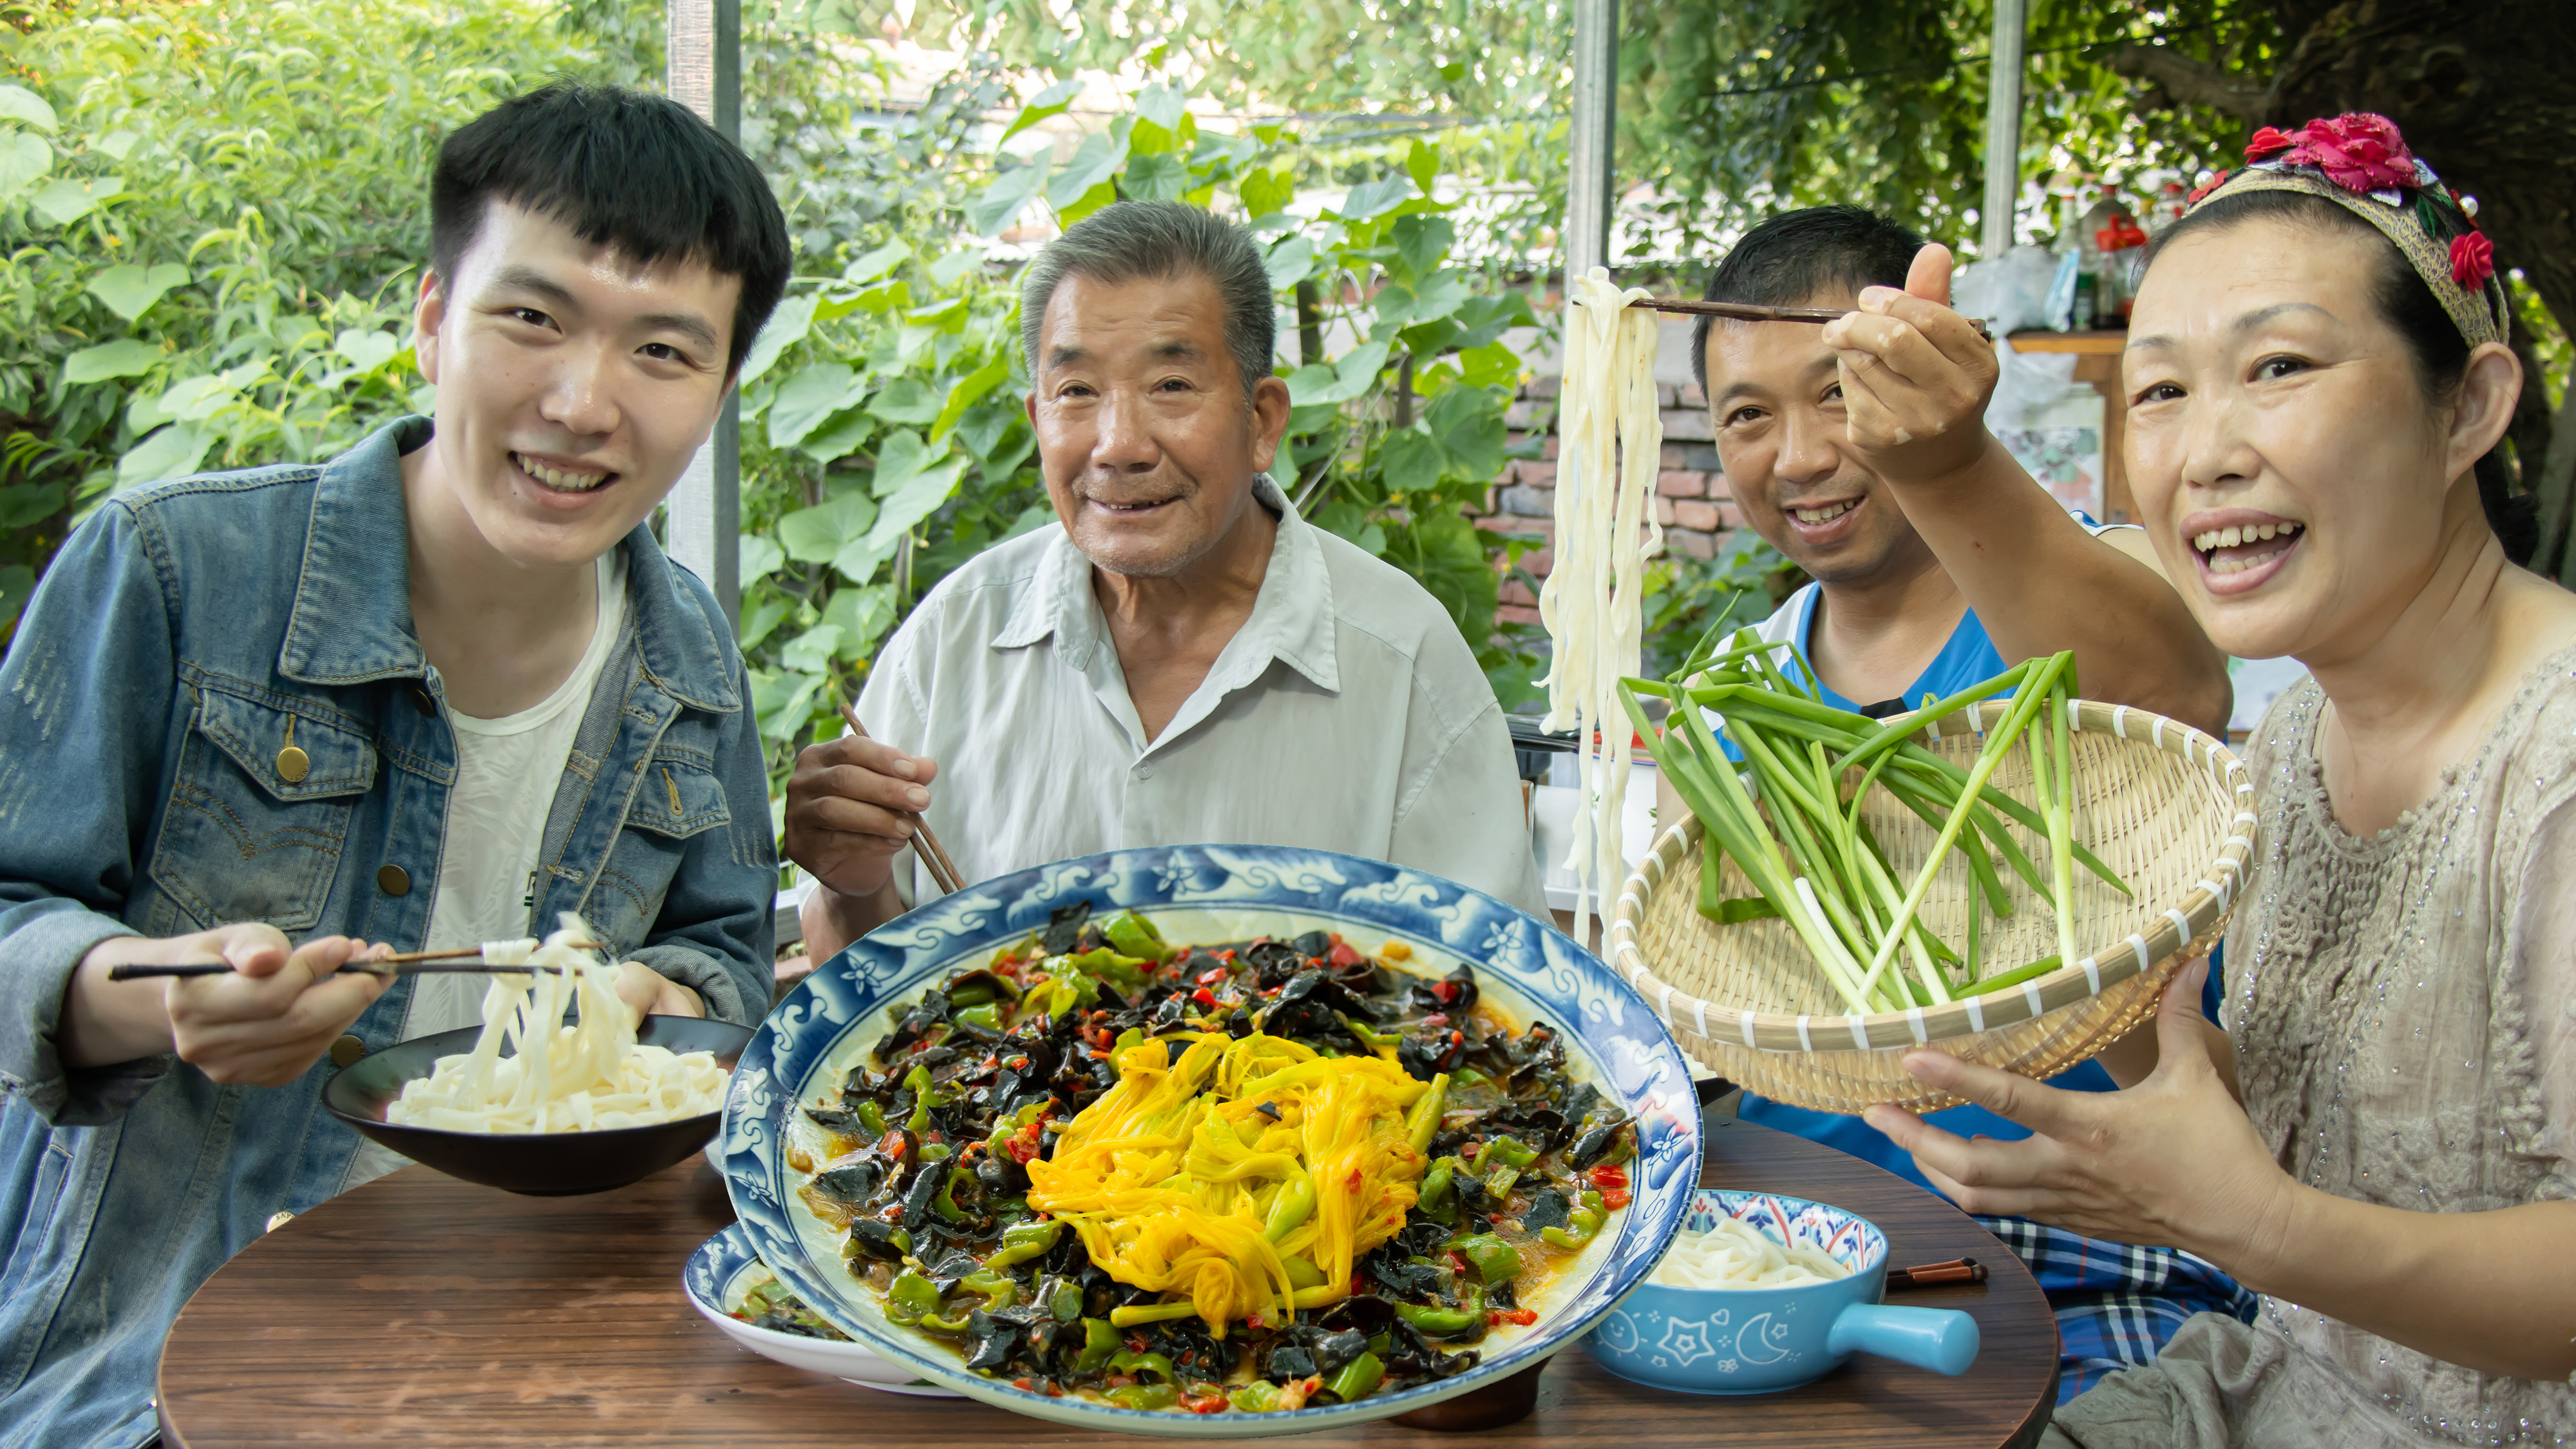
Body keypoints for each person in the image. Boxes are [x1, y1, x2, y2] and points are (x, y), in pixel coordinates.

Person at [0, 83, 790, 1447]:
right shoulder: (179, 571)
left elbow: (723, 949)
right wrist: (152, 1002)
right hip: (156, 1361)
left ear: (717, 389)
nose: (582, 401)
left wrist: (662, 994)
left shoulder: (688, 660)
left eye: (664, 351)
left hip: (546, 1351)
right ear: (431, 316)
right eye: (531, 318)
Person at [1865, 115, 2576, 1445]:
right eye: (2160, 392)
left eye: (2277, 367)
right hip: (2277, 1400)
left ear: (2468, 405)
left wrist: (2246, 1222)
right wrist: (2089, 1005)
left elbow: (2277, 1214)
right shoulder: (2301, 738)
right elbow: (2302, 1140)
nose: (2203, 456)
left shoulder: (2553, 764)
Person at [1662, 205, 2247, 1399]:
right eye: (1747, 417)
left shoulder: (2090, 587)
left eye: (1838, 393)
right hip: (1788, 1262)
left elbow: (2179, 688)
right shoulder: (1733, 704)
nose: (1799, 456)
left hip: (2090, 1259)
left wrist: (1952, 462)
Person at [787, 200, 1544, 962]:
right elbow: (871, 991)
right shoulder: (954, 638)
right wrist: (852, 884)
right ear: (1036, 418)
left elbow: (1501, 990)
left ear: (1262, 421)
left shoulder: (1401, 659)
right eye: (1076, 391)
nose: (1118, 446)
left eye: (1172, 385)